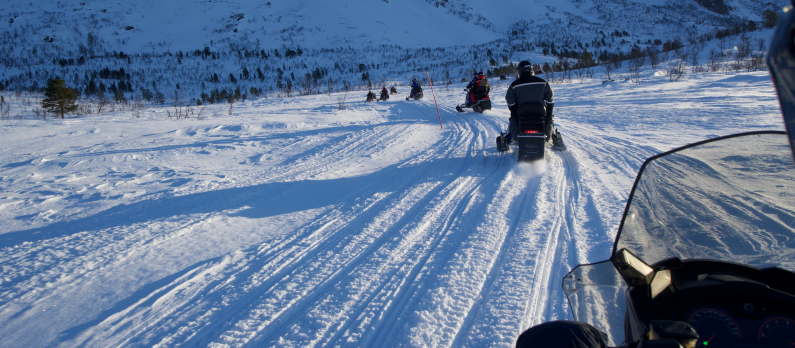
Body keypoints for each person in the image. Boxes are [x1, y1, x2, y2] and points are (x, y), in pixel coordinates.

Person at [505, 61, 554, 142]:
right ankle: (549, 136)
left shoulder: (514, 85)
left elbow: (509, 99)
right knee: (549, 118)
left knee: (513, 118)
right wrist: (549, 113)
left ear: (520, 71)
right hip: (540, 112)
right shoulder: (543, 82)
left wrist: (513, 111)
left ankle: (514, 137)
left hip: (522, 113)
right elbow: (550, 98)